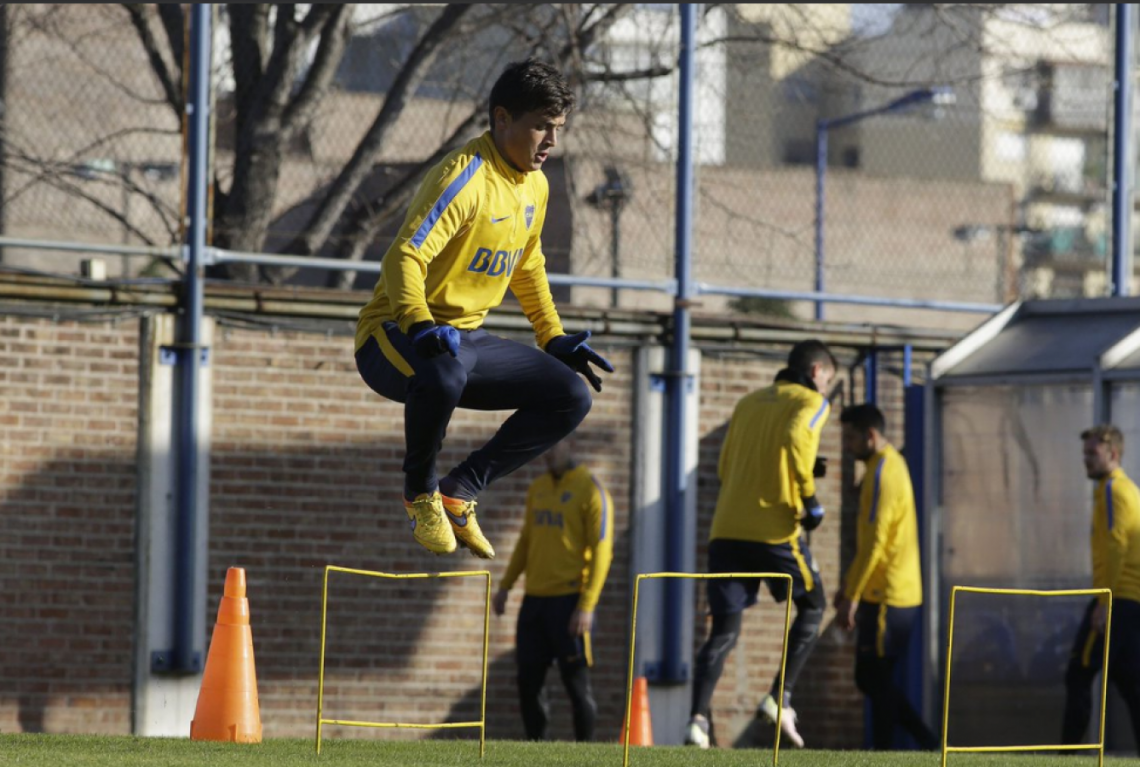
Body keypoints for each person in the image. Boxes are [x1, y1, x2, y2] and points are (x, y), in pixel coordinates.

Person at [354, 59, 614, 559]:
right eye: (541, 125)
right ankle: (420, 493)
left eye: (558, 128)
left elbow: (528, 264)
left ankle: (461, 488)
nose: (551, 141)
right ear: (501, 119)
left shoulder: (535, 185)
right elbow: (403, 256)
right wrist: (420, 324)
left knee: (569, 396)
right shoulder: (464, 177)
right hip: (393, 335)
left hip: (463, 340)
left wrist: (552, 336)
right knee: (444, 375)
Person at [684, 339, 836, 750]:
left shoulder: (748, 403)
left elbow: (724, 465)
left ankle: (696, 721)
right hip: (774, 532)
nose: (826, 388)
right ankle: (779, 698)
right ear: (818, 372)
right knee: (813, 604)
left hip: (727, 530)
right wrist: (808, 498)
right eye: (828, 380)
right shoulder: (813, 403)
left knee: (725, 630)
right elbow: (793, 437)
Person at [491, 436, 614, 741]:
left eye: (552, 447)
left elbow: (602, 551)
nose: (546, 454)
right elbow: (525, 541)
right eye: (542, 449)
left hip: (569, 602)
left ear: (570, 443)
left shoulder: (590, 490)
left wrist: (586, 605)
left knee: (576, 684)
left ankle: (586, 753)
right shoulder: (538, 489)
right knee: (528, 681)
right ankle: (537, 748)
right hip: (534, 602)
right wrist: (506, 585)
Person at [833, 403, 938, 751]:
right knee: (875, 679)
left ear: (870, 435)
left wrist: (852, 594)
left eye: (850, 438)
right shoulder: (886, 465)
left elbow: (875, 541)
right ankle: (913, 745)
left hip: (888, 593)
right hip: (891, 592)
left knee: (872, 677)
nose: (847, 447)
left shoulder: (883, 473)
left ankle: (917, 744)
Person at [1061, 424, 1140, 753]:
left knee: (1078, 673)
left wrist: (1103, 603)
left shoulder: (1114, 490)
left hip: (1117, 598)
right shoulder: (1125, 489)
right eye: (1084, 454)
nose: (1086, 460)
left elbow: (1116, 547)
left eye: (1092, 454)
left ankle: (1065, 755)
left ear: (1114, 454)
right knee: (1131, 684)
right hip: (1128, 601)